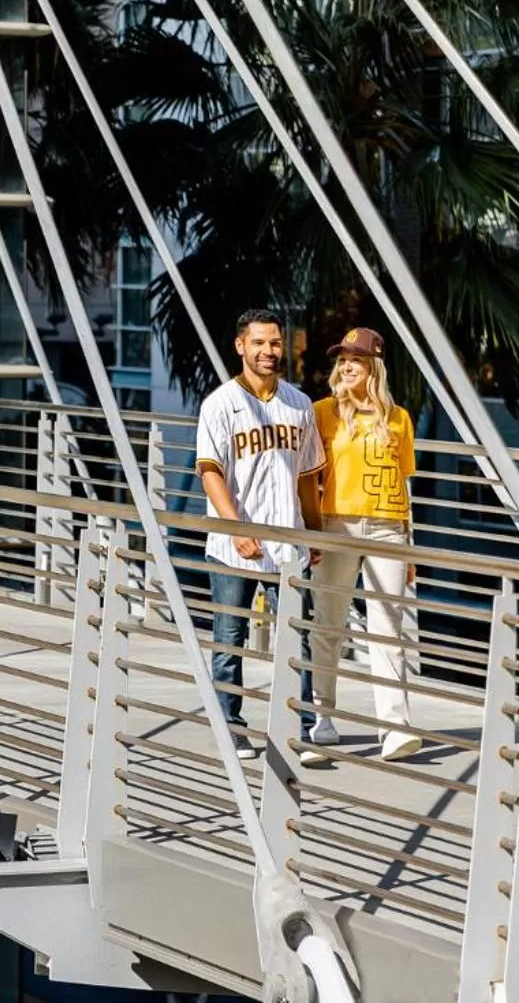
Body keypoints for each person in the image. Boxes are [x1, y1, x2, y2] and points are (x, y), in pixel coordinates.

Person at [195, 308, 327, 761]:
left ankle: (303, 727)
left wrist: (315, 532)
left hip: (288, 542)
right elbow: (209, 473)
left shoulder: (299, 404)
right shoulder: (219, 404)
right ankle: (231, 725)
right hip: (234, 544)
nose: (269, 351)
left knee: (299, 636)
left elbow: (308, 475)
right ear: (240, 346)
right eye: (259, 343)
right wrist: (236, 527)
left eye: (275, 343)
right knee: (230, 638)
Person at [306, 327, 425, 763]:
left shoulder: (399, 419)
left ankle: (395, 728)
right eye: (342, 360)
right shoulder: (321, 413)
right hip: (335, 525)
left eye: (356, 359)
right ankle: (321, 719)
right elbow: (308, 477)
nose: (347, 366)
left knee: (388, 628)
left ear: (374, 366)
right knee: (328, 626)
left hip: (389, 528)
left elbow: (402, 485)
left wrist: (409, 546)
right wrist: (310, 530)